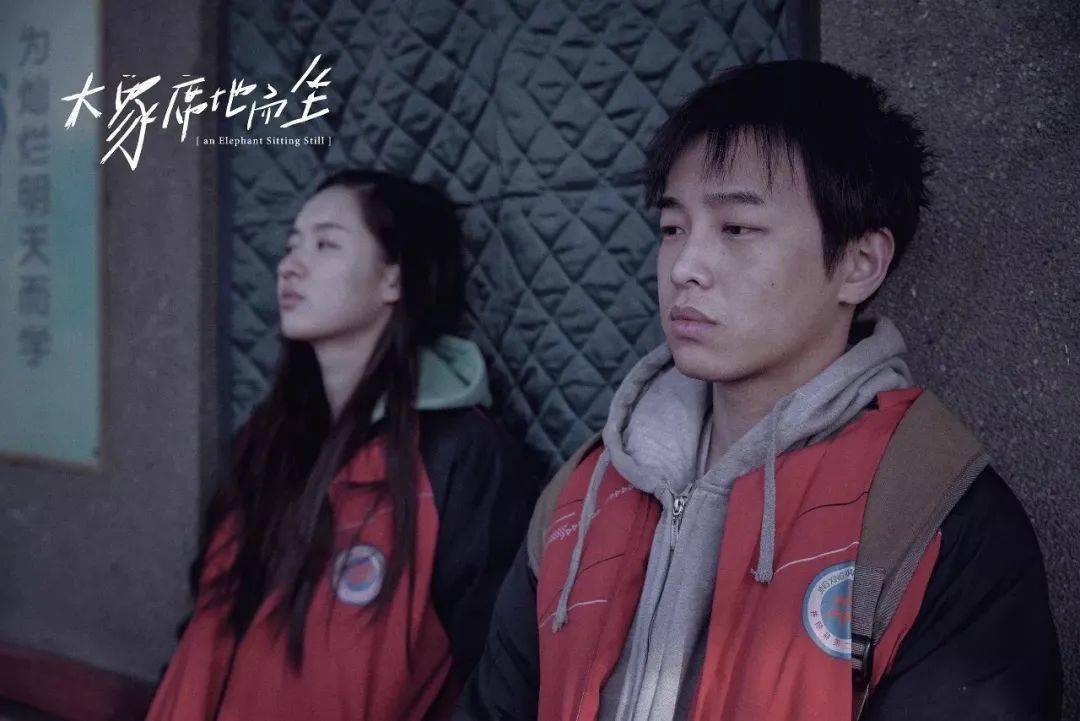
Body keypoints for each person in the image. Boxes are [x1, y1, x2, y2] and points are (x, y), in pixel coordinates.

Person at [455, 61, 1062, 721]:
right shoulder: (583, 493)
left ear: (859, 264)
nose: (684, 267)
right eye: (672, 228)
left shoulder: (931, 514)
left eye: (737, 228)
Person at [147, 170, 541, 721]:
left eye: (325, 244)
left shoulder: (462, 456)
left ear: (393, 279)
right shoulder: (266, 440)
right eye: (291, 245)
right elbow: (205, 624)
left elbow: (499, 679)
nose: (290, 265)